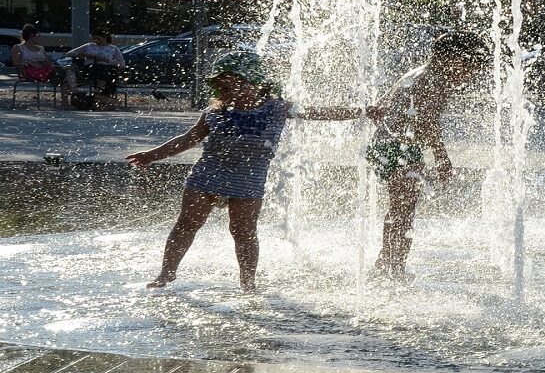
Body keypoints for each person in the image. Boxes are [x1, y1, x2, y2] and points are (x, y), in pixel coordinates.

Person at [127, 50, 374, 292]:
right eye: (219, 88)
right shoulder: (215, 112)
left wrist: (363, 111)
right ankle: (166, 272)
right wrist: (151, 156)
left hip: (247, 180)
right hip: (207, 174)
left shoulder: (276, 108)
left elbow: (319, 112)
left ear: (252, 83)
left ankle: (248, 282)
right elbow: (188, 138)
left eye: (228, 86)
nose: (223, 92)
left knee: (243, 232)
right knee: (187, 224)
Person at [368, 31, 488, 283]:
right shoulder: (435, 80)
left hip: (385, 144)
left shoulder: (416, 73)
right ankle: (396, 268)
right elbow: (429, 122)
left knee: (397, 209)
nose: (470, 75)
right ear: (453, 58)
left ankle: (385, 262)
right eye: (469, 66)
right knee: (404, 212)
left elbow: (383, 105)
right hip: (401, 148)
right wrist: (442, 158)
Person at [64, 28, 126, 108]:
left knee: (109, 71)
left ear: (105, 38)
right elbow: (70, 53)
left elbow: (121, 64)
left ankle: (98, 94)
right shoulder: (89, 46)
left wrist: (107, 60)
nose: (96, 41)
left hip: (107, 68)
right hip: (91, 68)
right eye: (94, 39)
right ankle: (100, 94)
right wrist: (86, 55)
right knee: (103, 71)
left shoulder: (113, 49)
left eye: (99, 39)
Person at [10, 24, 69, 107]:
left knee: (63, 72)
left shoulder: (41, 48)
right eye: (38, 35)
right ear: (32, 36)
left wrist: (43, 62)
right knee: (63, 73)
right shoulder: (18, 47)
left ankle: (65, 101)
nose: (40, 38)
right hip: (29, 71)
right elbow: (16, 63)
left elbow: (48, 62)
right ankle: (72, 92)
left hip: (44, 70)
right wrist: (30, 62)